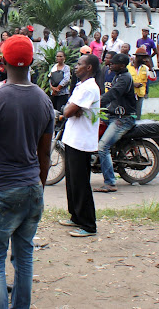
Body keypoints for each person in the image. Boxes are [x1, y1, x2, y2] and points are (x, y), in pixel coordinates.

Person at [0, 35, 53, 306]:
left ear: (2, 61)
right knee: (24, 257)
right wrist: (38, 187)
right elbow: (45, 155)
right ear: (31, 61)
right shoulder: (44, 101)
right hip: (31, 188)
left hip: (0, 189)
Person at [59, 53, 101, 238]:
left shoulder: (89, 88)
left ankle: (88, 224)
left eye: (80, 64)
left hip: (81, 141)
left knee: (81, 183)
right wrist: (71, 110)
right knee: (72, 182)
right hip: (72, 138)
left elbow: (68, 110)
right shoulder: (80, 86)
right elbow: (71, 109)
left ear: (89, 68)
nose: (76, 67)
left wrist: (69, 110)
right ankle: (75, 216)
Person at [96, 53, 136, 193]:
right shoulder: (117, 75)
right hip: (114, 114)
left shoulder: (124, 78)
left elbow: (112, 94)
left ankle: (110, 182)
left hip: (123, 118)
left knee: (102, 147)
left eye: (113, 63)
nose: (110, 65)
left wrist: (97, 103)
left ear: (122, 65)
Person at [127, 47, 153, 118]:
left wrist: (150, 67)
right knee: (129, 114)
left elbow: (153, 78)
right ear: (137, 57)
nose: (144, 59)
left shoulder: (145, 68)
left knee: (138, 115)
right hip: (129, 94)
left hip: (140, 94)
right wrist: (133, 84)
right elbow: (124, 80)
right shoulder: (128, 67)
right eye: (143, 57)